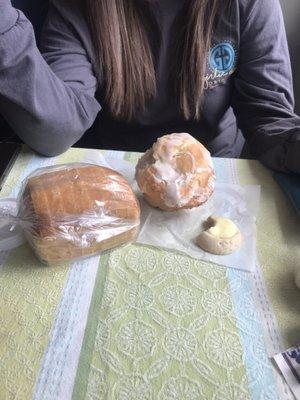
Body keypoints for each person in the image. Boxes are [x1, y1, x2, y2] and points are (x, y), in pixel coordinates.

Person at [0, 0, 299, 173]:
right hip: (115, 173)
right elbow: (57, 129)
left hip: (216, 174)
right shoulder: (79, 6)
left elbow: (271, 120)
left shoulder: (248, 4)